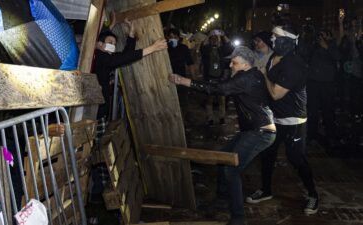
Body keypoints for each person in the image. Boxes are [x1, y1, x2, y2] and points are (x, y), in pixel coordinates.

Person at [169, 46, 276, 225]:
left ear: (244, 64)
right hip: (254, 130)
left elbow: (218, 89)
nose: (231, 66)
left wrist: (183, 81)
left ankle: (238, 218)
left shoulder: (246, 77)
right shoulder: (253, 74)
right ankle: (221, 200)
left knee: (231, 169)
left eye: (234, 63)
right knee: (224, 158)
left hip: (260, 132)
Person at [90, 18, 167, 204]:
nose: (112, 47)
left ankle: (99, 188)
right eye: (109, 43)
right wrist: (152, 48)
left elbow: (124, 56)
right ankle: (96, 192)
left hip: (100, 112)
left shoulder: (105, 57)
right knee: (97, 152)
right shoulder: (98, 57)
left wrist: (131, 36)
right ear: (99, 44)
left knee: (101, 149)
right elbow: (123, 58)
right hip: (93, 114)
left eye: (114, 44)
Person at [246, 24, 319, 215]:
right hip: (275, 118)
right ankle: (266, 190)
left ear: (287, 41)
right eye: (272, 36)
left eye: (276, 37)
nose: (272, 39)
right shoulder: (274, 57)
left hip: (293, 121)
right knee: (267, 155)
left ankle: (313, 195)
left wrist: (263, 75)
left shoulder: (294, 64)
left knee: (296, 158)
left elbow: (276, 93)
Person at [307, 29, 338, 148]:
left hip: (327, 84)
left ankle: (331, 136)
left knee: (328, 111)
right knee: (312, 112)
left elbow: (337, 56)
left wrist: (327, 46)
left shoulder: (333, 45)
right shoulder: (313, 46)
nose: (321, 37)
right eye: (320, 34)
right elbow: (306, 55)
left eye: (324, 34)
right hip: (313, 83)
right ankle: (312, 136)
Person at [200, 30, 233, 125]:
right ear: (210, 40)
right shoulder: (207, 49)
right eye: (212, 39)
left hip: (220, 79)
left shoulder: (221, 50)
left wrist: (223, 35)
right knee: (209, 100)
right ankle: (210, 118)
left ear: (219, 41)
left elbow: (230, 47)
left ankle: (222, 118)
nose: (214, 41)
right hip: (209, 78)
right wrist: (209, 35)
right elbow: (203, 46)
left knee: (222, 100)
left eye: (216, 39)